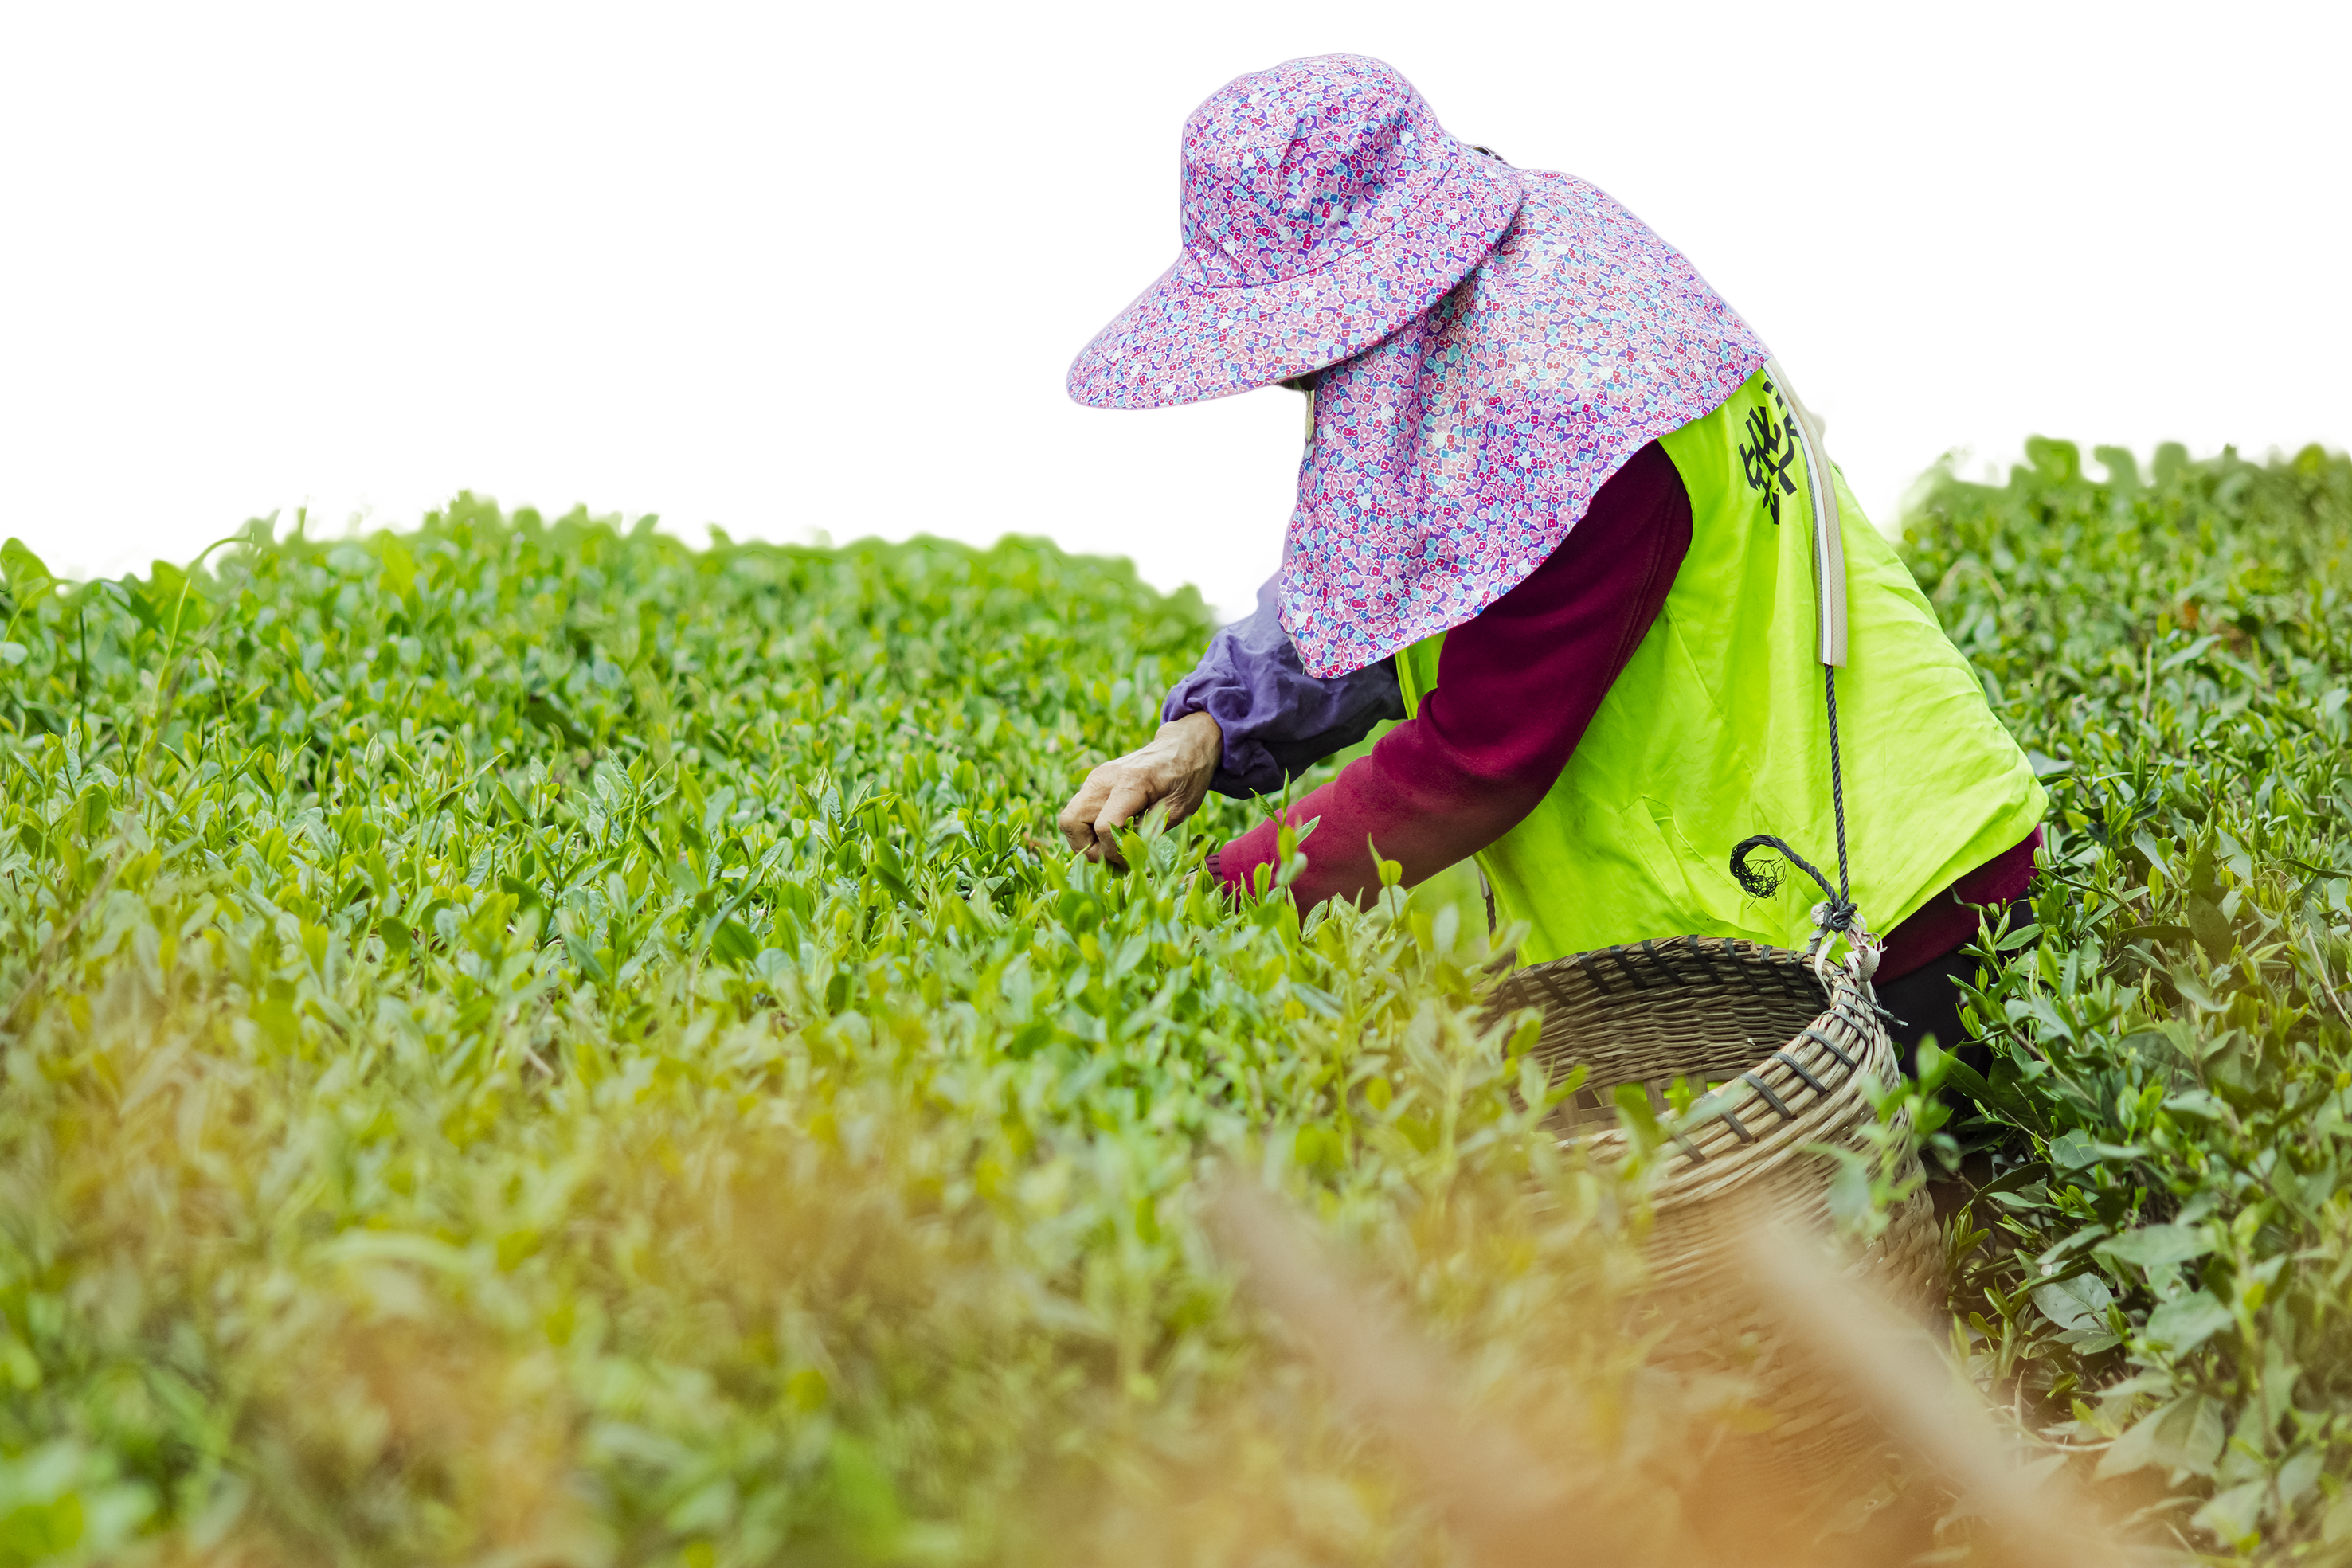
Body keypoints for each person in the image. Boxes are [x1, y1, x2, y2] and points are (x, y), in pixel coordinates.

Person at [1055, 53, 2045, 1066]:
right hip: (1804, 908)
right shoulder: (1526, 267)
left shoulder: (1578, 415)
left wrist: (1217, 900)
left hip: (1889, 912)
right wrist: (1212, 728)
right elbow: (1380, 569)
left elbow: (1477, 757)